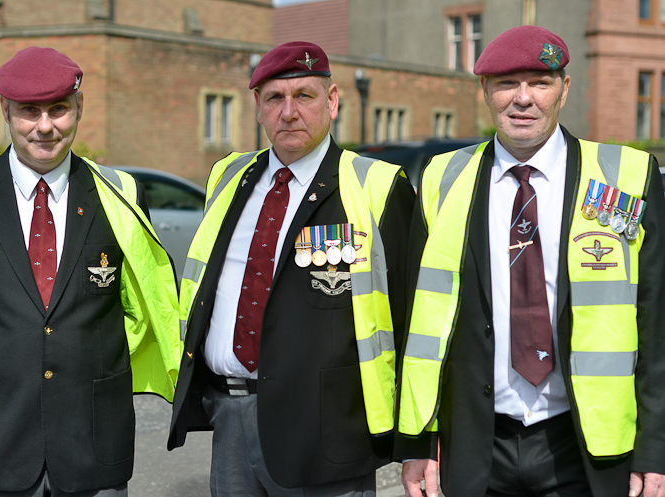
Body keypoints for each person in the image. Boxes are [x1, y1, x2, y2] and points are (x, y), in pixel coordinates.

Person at [396, 25, 665, 497]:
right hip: (476, 444)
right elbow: (418, 323)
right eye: (506, 83)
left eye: (539, 82)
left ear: (564, 89)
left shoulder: (629, 176)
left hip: (585, 445)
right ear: (484, 91)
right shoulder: (442, 177)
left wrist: (655, 451)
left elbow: (658, 325)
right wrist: (419, 441)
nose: (523, 99)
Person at [0, 47, 181, 496]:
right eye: (28, 111)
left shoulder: (122, 194)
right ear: (5, 110)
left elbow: (149, 299)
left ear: (79, 107)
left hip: (93, 446)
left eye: (58, 109)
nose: (44, 127)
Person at [168, 41, 415, 496]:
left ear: (333, 100)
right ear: (257, 108)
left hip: (325, 433)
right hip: (231, 417)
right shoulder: (228, 177)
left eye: (303, 96)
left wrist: (420, 440)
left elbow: (412, 321)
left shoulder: (377, 186)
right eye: (274, 99)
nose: (288, 112)